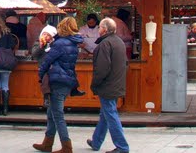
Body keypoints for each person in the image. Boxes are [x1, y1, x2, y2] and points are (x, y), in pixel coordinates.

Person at [34, 16, 82, 153]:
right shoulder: (73, 44)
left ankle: (67, 146)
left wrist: (41, 74)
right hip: (67, 80)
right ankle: (47, 143)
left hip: (57, 81)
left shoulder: (60, 44)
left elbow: (47, 61)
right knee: (52, 112)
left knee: (58, 115)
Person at [86, 18, 129, 153]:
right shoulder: (119, 42)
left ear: (104, 29)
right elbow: (125, 64)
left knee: (110, 114)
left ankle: (122, 146)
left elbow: (102, 69)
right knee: (105, 114)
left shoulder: (105, 44)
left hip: (107, 85)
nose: (98, 30)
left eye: (100, 28)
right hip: (116, 83)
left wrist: (94, 84)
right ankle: (96, 141)